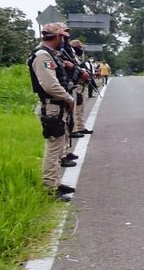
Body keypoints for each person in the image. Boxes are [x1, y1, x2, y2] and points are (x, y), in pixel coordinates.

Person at [27, 23, 76, 202]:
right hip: (52, 107)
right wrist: (68, 99)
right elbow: (50, 85)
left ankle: (55, 182)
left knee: (58, 147)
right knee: (54, 148)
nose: (64, 40)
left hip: (55, 106)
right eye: (62, 37)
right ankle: (49, 187)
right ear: (56, 37)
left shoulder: (50, 55)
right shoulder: (42, 56)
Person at [69, 40, 94, 136]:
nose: (81, 50)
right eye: (80, 48)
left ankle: (80, 126)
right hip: (76, 85)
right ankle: (74, 129)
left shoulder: (77, 58)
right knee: (76, 108)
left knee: (80, 108)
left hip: (82, 85)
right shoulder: (71, 57)